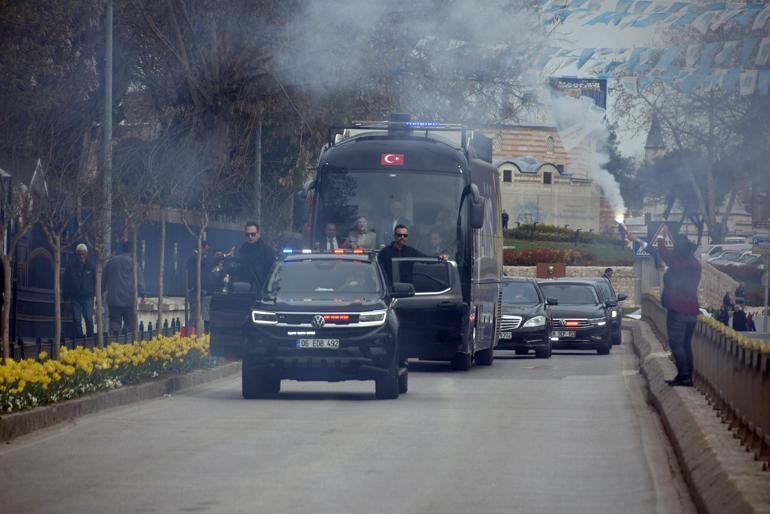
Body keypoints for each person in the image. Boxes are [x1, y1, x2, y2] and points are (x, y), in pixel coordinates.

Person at [626, 229, 701, 387]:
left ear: (678, 250)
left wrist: (661, 234)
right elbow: (659, 256)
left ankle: (684, 376)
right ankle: (688, 375)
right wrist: (638, 240)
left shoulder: (677, 263)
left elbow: (662, 251)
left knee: (676, 345)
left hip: (678, 311)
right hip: (692, 312)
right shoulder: (695, 264)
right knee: (686, 345)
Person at [377, 224, 447, 286]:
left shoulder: (410, 251)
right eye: (399, 235)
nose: (402, 237)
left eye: (405, 235)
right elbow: (378, 271)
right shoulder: (384, 252)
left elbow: (425, 259)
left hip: (407, 290)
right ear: (394, 236)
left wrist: (440, 258)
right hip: (389, 290)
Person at [103, 241, 145, 336]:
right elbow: (140, 280)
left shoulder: (111, 262)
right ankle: (126, 345)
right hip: (129, 299)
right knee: (129, 324)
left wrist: (100, 294)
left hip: (114, 299)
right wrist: (142, 296)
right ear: (132, 250)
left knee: (114, 322)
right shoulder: (134, 263)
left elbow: (103, 280)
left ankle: (114, 343)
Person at [63, 243, 96, 338]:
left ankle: (90, 338)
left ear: (86, 254)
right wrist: (66, 298)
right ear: (76, 254)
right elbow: (66, 283)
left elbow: (96, 282)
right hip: (75, 297)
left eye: (83, 254)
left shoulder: (91, 267)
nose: (81, 256)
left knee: (89, 318)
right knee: (76, 319)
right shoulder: (71, 267)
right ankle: (80, 338)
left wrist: (97, 296)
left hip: (88, 297)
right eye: (79, 254)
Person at [238, 221, 275, 291]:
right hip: (245, 290)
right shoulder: (242, 250)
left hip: (262, 290)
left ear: (258, 234)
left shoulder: (267, 251)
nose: (250, 237)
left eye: (253, 234)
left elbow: (272, 271)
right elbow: (240, 271)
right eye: (247, 234)